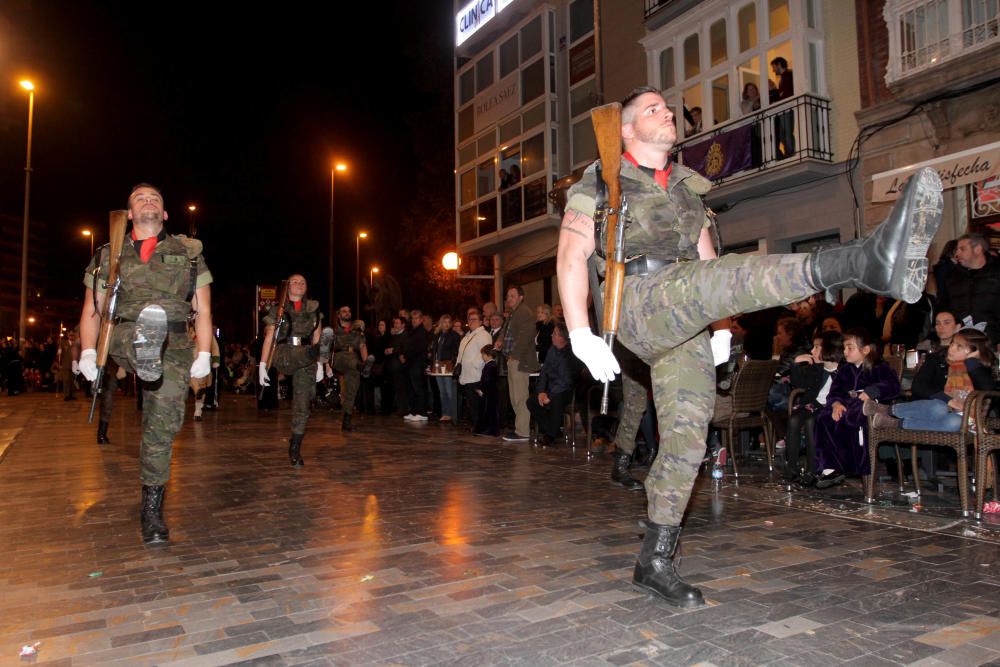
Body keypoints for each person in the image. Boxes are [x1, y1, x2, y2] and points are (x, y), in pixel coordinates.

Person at [555, 86, 942, 607]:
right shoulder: (602, 181)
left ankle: (655, 559)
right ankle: (860, 262)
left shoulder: (689, 191)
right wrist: (581, 331)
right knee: (700, 282)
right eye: (652, 109)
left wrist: (718, 329)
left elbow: (710, 263)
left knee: (689, 439)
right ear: (626, 130)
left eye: (667, 108)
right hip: (639, 303)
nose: (666, 112)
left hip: (689, 313)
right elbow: (571, 256)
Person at [78, 183, 213, 544]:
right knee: (137, 336)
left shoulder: (189, 253)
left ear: (165, 214)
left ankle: (151, 510)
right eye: (140, 198)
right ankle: (144, 346)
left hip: (176, 344)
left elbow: (203, 308)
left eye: (156, 198)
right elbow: (93, 310)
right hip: (124, 333)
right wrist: (88, 352)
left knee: (162, 426)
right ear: (129, 213)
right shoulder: (110, 253)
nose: (149, 200)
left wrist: (204, 354)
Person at [258, 275, 334, 465]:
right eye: (295, 281)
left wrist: (321, 364)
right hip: (284, 353)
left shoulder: (313, 309)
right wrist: (262, 365)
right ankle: (314, 354)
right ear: (287, 287)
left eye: (303, 282)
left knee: (303, 404)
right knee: (306, 353)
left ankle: (295, 447)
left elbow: (317, 335)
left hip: (307, 354)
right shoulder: (278, 309)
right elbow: (269, 338)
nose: (299, 284)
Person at [812, 328, 900, 489]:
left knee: (851, 418)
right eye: (845, 348)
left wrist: (872, 391)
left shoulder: (879, 367)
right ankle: (830, 467)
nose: (845, 351)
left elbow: (893, 386)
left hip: (870, 411)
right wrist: (835, 403)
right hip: (847, 407)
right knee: (824, 418)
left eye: (849, 347)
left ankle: (851, 464)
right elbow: (835, 390)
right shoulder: (845, 369)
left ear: (865, 350)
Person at [877, 328, 996, 431]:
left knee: (955, 422)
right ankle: (887, 410)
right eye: (953, 343)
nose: (952, 348)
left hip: (964, 418)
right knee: (939, 406)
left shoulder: (979, 369)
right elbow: (918, 385)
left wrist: (970, 361)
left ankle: (896, 424)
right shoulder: (938, 359)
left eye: (959, 346)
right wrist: (948, 400)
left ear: (975, 352)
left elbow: (988, 388)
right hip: (934, 410)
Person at [783, 331, 844, 485]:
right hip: (814, 405)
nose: (811, 351)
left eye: (817, 347)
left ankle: (813, 469)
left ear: (829, 350)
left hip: (831, 407)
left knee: (811, 422)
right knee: (794, 419)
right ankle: (792, 469)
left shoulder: (844, 370)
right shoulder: (818, 368)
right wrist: (796, 362)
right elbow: (799, 383)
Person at [941, 233, 1000, 344]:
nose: (957, 253)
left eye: (962, 249)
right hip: (962, 340)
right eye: (957, 249)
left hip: (993, 340)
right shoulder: (952, 277)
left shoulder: (997, 272)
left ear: (977, 249)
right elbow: (944, 306)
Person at [498, 286, 539, 441]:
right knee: (514, 396)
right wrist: (500, 339)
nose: (509, 298)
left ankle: (522, 431)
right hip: (512, 359)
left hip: (520, 360)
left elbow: (526, 336)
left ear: (521, 297)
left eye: (512, 295)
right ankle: (519, 429)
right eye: (508, 296)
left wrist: (515, 356)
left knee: (520, 396)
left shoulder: (525, 313)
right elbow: (506, 330)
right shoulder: (513, 314)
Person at [526, 321, 575, 447]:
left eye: (555, 334)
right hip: (550, 387)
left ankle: (551, 435)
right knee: (531, 401)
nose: (551, 336)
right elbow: (544, 373)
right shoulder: (552, 350)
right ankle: (553, 430)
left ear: (563, 338)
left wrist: (550, 395)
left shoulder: (571, 354)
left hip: (566, 389)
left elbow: (565, 380)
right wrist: (541, 391)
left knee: (557, 400)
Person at [328, 305, 367, 431]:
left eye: (349, 311)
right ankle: (359, 366)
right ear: (339, 315)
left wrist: (366, 362)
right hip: (339, 357)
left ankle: (346, 421)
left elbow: (362, 346)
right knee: (351, 360)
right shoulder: (333, 329)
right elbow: (325, 348)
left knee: (352, 389)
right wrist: (326, 365)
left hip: (354, 359)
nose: (347, 313)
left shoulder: (357, 329)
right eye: (344, 311)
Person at [457, 310, 493, 427]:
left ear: (481, 321)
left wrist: (474, 364)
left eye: (474, 319)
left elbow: (486, 352)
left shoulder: (483, 335)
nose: (471, 322)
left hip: (476, 374)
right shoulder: (467, 336)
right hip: (467, 374)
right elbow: (461, 353)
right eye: (469, 319)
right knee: (471, 401)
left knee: (477, 401)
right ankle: (474, 422)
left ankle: (480, 424)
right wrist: (459, 364)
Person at [401, 309, 430, 421]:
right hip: (410, 364)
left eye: (416, 318)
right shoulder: (412, 331)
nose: (414, 320)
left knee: (419, 388)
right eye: (412, 318)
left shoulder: (422, 332)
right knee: (411, 389)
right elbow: (406, 345)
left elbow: (418, 349)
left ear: (421, 319)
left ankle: (422, 413)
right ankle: (413, 411)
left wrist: (406, 355)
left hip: (417, 364)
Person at [432, 313, 461, 422]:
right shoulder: (437, 335)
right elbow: (435, 351)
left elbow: (457, 351)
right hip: (438, 366)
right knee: (442, 391)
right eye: (445, 322)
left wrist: (452, 362)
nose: (447, 324)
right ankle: (445, 413)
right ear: (441, 323)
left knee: (450, 391)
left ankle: (453, 414)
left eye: (449, 322)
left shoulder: (454, 335)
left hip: (448, 365)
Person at [190, 328, 220, 420]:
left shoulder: (207, 332)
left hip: (202, 364)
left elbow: (215, 347)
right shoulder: (185, 329)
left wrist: (216, 360)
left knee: (200, 387)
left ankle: (198, 411)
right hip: (187, 364)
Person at [770, 57, 795, 159]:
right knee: (783, 133)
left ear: (779, 64)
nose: (773, 70)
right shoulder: (784, 77)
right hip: (784, 108)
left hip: (787, 107)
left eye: (774, 67)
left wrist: (778, 101)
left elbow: (787, 93)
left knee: (787, 132)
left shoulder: (788, 76)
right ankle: (788, 151)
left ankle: (790, 152)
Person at [474, 345, 500, 436]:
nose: (482, 356)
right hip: (490, 392)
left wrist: (480, 388)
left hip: (489, 393)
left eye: (483, 354)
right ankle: (488, 429)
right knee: (490, 411)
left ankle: (488, 429)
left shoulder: (490, 366)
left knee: (488, 411)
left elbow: (487, 380)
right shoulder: (491, 365)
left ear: (488, 355)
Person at [57, 329, 80, 401]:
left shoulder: (77, 344)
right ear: (67, 335)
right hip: (66, 364)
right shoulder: (63, 343)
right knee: (66, 380)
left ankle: (72, 394)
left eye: (73, 335)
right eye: (70, 335)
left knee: (73, 380)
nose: (71, 336)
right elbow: (59, 354)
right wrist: (59, 352)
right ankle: (66, 395)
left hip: (75, 364)